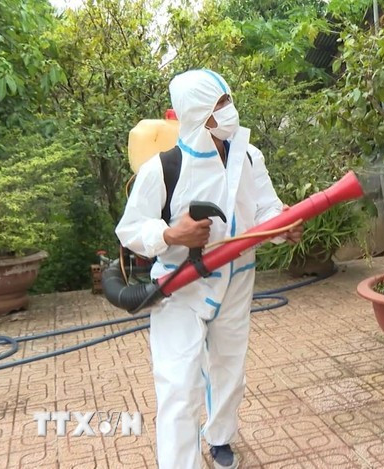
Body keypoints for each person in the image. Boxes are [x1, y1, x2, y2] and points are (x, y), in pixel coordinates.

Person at [116, 69, 302, 469]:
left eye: (228, 99)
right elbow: (129, 230)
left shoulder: (248, 156)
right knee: (178, 386)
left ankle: (220, 437)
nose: (229, 109)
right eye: (220, 104)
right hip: (180, 288)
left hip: (237, 281)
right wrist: (172, 234)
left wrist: (282, 227)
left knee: (229, 373)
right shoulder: (163, 168)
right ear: (197, 111)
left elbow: (266, 210)